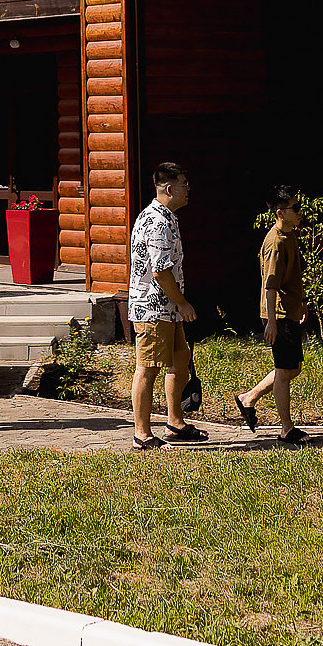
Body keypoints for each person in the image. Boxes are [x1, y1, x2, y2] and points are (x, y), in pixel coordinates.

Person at [127, 162, 205, 450]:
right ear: (169, 188)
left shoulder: (167, 216)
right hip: (153, 307)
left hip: (168, 308)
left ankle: (175, 422)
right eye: (184, 184)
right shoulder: (157, 221)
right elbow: (160, 270)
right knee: (147, 368)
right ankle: (142, 434)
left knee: (180, 360)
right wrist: (183, 304)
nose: (188, 189)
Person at [235, 186, 311, 448]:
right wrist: (271, 321)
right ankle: (286, 428)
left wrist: (300, 301)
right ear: (280, 213)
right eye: (295, 208)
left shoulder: (290, 235)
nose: (300, 212)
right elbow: (269, 285)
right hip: (277, 313)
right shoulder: (275, 242)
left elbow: (292, 277)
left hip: (289, 310)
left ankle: (248, 398)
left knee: (292, 368)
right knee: (283, 369)